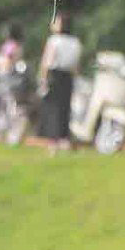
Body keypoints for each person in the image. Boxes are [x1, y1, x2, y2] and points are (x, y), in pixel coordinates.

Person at [36, 14, 83, 151]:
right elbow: (76, 65)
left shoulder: (54, 41)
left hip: (54, 75)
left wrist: (43, 79)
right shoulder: (75, 42)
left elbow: (47, 61)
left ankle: (53, 140)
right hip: (68, 77)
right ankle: (65, 138)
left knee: (52, 108)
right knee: (65, 107)